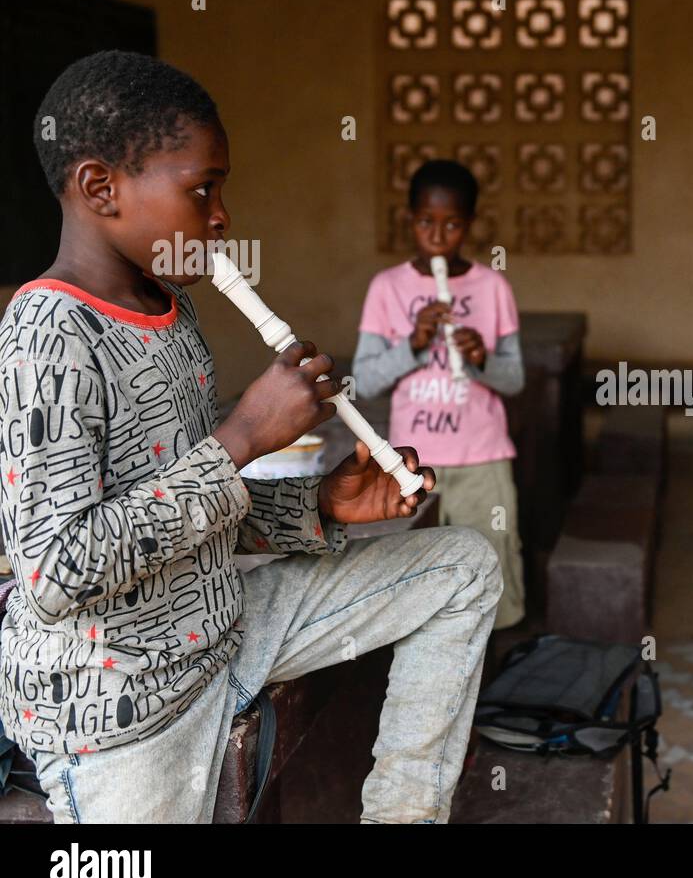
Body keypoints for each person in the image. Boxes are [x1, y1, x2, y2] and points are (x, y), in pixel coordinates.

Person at [0, 50, 502, 823]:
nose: (223, 215)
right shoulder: (47, 331)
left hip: (227, 630)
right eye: (203, 189)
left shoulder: (173, 312)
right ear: (101, 187)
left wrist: (321, 505)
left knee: (463, 566)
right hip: (124, 704)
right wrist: (241, 436)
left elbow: (189, 510)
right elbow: (57, 573)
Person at [353, 159, 527, 630]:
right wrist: (412, 343)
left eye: (452, 224)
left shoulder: (493, 286)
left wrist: (481, 358)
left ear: (468, 225)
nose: (437, 235)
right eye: (426, 221)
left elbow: (514, 380)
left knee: (491, 569)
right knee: (419, 580)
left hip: (482, 458)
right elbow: (364, 380)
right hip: (413, 463)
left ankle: (495, 678)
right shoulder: (387, 287)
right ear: (411, 219)